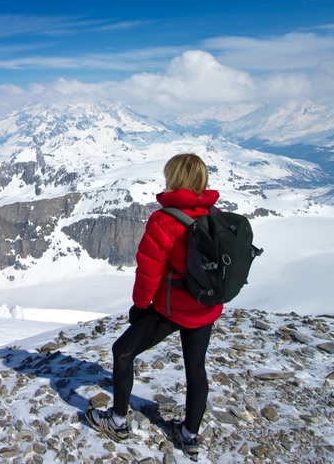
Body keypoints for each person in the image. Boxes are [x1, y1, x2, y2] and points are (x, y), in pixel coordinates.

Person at [86, 153, 222, 459]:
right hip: (206, 307)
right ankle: (189, 434)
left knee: (122, 352)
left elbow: (149, 271)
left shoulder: (165, 220)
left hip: (173, 309)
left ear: (175, 179)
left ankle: (118, 421)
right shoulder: (215, 213)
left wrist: (140, 306)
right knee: (195, 368)